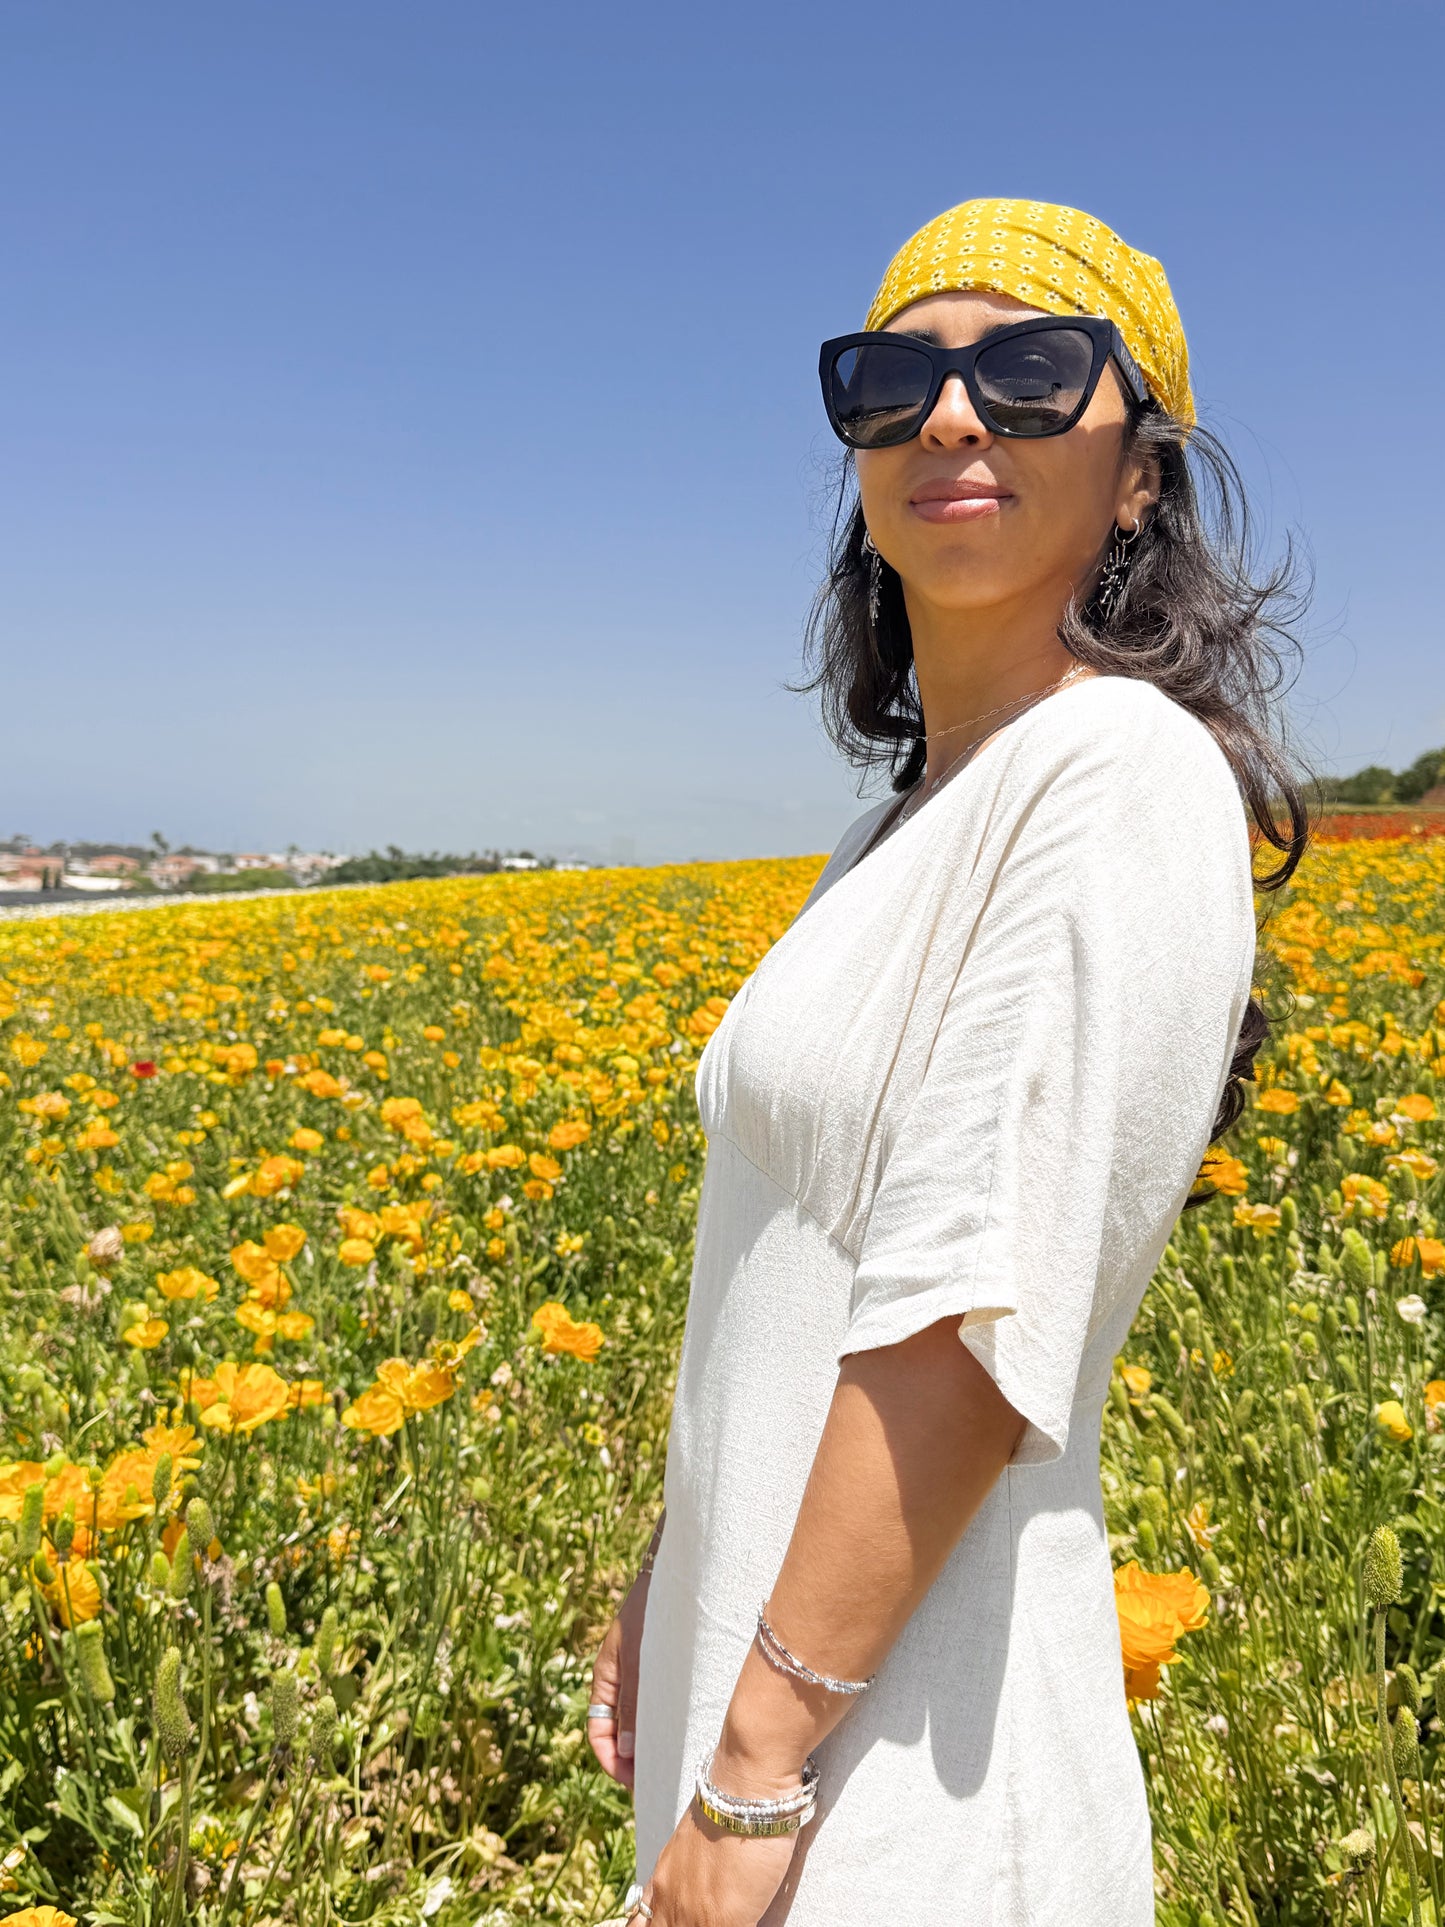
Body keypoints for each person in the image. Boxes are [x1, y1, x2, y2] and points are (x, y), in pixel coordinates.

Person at [587, 197, 1311, 1925]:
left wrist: (752, 1774)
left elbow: (964, 1323)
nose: (952, 416)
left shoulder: (1115, 772)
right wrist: (672, 1567)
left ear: (1138, 475)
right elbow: (788, 1268)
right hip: (786, 1698)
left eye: (1033, 370)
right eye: (891, 380)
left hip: (904, 1785)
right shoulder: (890, 833)